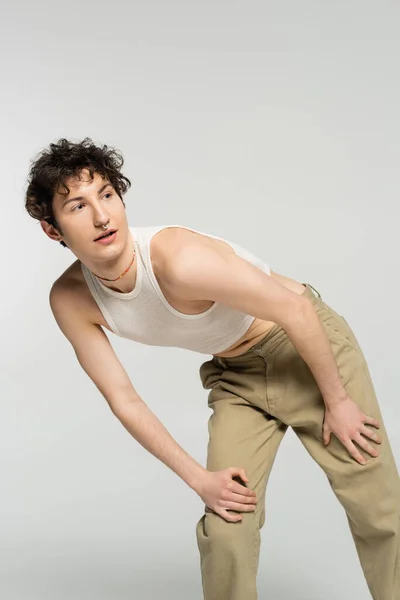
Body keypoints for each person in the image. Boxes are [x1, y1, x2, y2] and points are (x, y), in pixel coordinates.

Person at [25, 137, 400, 600]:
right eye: (78, 206)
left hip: (305, 348)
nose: (102, 216)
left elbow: (295, 311)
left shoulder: (177, 260)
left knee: (378, 510)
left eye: (107, 195)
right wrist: (200, 480)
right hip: (237, 375)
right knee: (226, 527)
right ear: (52, 228)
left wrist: (338, 401)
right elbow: (124, 399)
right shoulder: (70, 299)